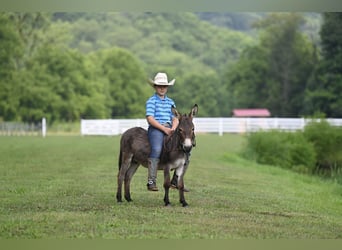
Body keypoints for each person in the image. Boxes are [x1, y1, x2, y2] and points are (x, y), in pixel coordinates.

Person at [145, 72, 179, 191]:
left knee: (185, 146)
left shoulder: (171, 102)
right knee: (157, 149)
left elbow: (175, 117)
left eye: (164, 86)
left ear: (167, 87)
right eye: (159, 86)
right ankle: (151, 180)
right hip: (156, 128)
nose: (162, 88)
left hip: (170, 128)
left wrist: (173, 128)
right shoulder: (151, 101)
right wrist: (164, 129)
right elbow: (150, 118)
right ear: (155, 87)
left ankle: (176, 179)